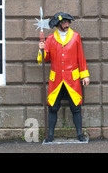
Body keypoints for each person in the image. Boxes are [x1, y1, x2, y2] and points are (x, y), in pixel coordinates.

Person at [38, 12, 90, 142]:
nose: (67, 24)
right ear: (58, 24)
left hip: (72, 79)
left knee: (76, 107)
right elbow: (45, 59)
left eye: (68, 22)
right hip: (56, 79)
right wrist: (41, 50)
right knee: (53, 107)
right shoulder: (50, 39)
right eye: (64, 22)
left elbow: (81, 57)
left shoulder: (76, 37)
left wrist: (85, 75)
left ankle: (79, 134)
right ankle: (50, 135)